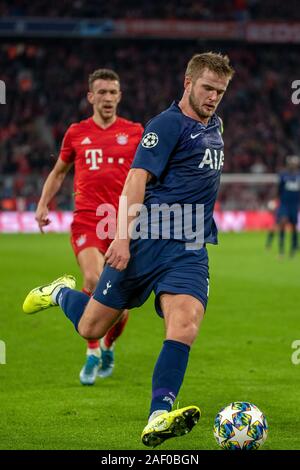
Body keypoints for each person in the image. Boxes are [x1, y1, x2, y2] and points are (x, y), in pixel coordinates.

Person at [23, 52, 234, 447]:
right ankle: (59, 293)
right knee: (90, 326)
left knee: (185, 323)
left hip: (189, 247)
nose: (213, 97)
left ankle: (159, 413)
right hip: (144, 244)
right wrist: (121, 238)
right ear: (188, 84)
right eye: (207, 88)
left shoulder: (216, 125)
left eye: (220, 91)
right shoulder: (166, 125)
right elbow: (136, 181)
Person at [34, 69, 143, 385]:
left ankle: (108, 345)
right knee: (95, 280)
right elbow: (58, 172)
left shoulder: (136, 132)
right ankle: (92, 351)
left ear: (119, 96)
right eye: (102, 92)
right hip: (87, 219)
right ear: (91, 97)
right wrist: (43, 204)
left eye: (113, 92)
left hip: (123, 222)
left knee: (119, 301)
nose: (108, 98)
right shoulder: (76, 133)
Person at [276, 155, 300, 257]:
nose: (292, 165)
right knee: (282, 223)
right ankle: (281, 250)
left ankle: (293, 248)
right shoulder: (283, 175)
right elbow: (278, 189)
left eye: (294, 164)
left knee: (294, 227)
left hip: (294, 205)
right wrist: (276, 200)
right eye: (291, 163)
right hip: (284, 204)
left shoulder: (299, 176)